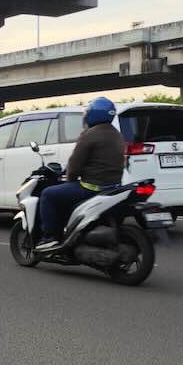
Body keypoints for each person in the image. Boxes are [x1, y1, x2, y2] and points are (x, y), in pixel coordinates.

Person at [34, 97, 126, 252]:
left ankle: (50, 237)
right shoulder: (117, 134)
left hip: (91, 188)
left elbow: (75, 165)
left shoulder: (90, 134)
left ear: (92, 114)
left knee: (48, 194)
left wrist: (69, 179)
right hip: (112, 187)